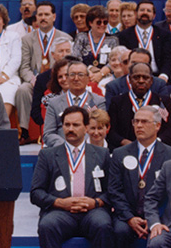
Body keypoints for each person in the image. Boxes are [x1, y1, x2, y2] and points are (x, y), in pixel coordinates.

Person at [30, 106, 113, 248]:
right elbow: (36, 193)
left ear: (86, 128)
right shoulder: (48, 155)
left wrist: (96, 202)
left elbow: (112, 190)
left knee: (103, 225)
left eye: (76, 125)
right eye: (67, 125)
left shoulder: (102, 154)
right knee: (47, 225)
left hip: (93, 211)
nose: (70, 129)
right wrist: (60, 202)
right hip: (60, 212)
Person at [109, 106, 171, 248]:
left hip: (158, 215)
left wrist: (153, 219)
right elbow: (114, 190)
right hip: (127, 215)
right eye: (136, 121)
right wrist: (130, 218)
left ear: (157, 126)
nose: (139, 125)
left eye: (144, 122)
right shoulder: (120, 153)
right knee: (119, 231)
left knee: (159, 237)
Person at [17, 1, 71, 141]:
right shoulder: (27, 39)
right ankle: (24, 131)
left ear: (54, 16)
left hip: (58, 79)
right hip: (34, 80)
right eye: (40, 14)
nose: (43, 17)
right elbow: (24, 66)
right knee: (23, 89)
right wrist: (31, 79)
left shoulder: (65, 38)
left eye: (47, 14)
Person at [108, 63, 171, 147]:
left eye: (145, 77)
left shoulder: (163, 101)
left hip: (156, 149)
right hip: (126, 149)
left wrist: (155, 142)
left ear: (151, 80)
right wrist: (124, 142)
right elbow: (111, 131)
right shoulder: (117, 101)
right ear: (129, 79)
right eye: (136, 77)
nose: (141, 81)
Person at [42, 60, 106, 147]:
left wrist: (83, 147)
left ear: (88, 79)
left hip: (90, 151)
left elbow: (100, 131)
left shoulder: (98, 101)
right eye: (72, 75)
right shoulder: (54, 103)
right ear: (67, 78)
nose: (76, 78)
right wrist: (66, 146)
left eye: (80, 75)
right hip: (62, 151)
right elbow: (48, 133)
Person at [116, 0, 171, 80]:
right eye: (142, 10)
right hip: (133, 77)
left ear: (154, 15)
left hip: (158, 77)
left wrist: (163, 76)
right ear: (136, 14)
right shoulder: (124, 35)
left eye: (148, 11)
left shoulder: (164, 35)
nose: (145, 13)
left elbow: (168, 59)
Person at [30, 37, 73, 127]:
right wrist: (49, 124)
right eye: (61, 51)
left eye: (67, 51)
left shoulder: (80, 75)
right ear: (53, 54)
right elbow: (35, 110)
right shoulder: (42, 78)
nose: (64, 54)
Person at [70, 5, 118, 77]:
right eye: (99, 22)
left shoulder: (113, 40)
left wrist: (100, 74)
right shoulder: (81, 37)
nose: (102, 25)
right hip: (84, 74)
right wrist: (89, 70)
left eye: (105, 22)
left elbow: (114, 61)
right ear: (90, 23)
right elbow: (75, 58)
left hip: (106, 76)